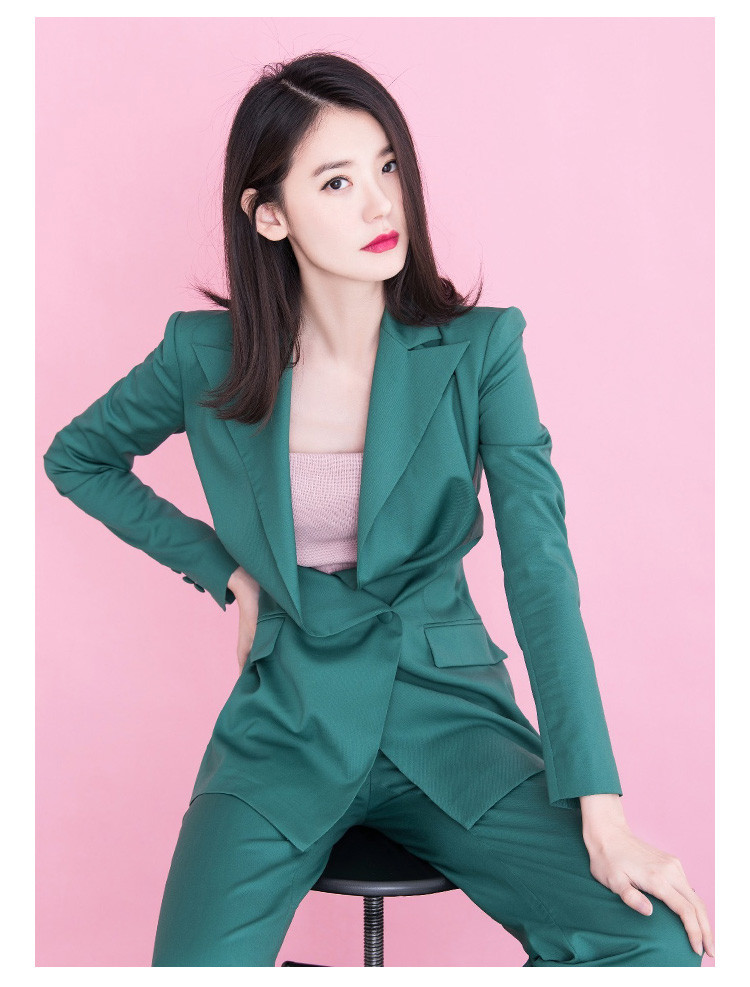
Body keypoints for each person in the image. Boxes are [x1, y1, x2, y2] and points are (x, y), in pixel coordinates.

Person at [42, 51, 714, 967]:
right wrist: (226, 574)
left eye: (387, 166)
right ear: (269, 214)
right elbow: (78, 457)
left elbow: (541, 573)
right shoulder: (203, 355)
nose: (379, 204)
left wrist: (604, 810)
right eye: (337, 181)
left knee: (657, 947)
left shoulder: (482, 350)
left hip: (450, 717)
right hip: (286, 721)